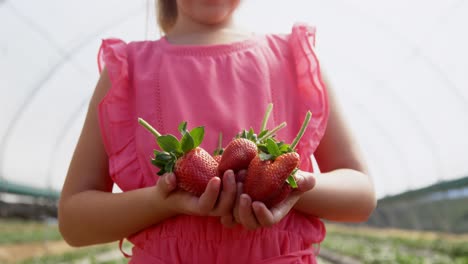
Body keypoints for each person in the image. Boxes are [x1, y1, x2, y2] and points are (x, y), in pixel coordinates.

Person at [58, 0, 376, 263]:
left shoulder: (294, 61)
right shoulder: (126, 72)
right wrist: (160, 201)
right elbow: (74, 222)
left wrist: (292, 184)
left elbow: (361, 195)